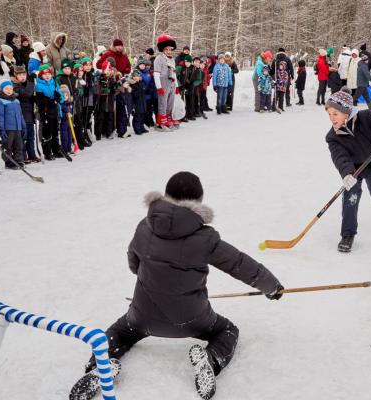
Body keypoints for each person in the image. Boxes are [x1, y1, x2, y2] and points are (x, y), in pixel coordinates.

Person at [77, 171, 283, 400]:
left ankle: (100, 366)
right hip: (194, 319)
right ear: (198, 202)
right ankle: (212, 359)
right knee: (227, 330)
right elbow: (240, 264)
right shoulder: (205, 238)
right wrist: (271, 286)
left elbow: (133, 262)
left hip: (142, 315)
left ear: (165, 196)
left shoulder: (144, 227)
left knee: (119, 332)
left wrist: (151, 277)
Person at [325, 87, 371, 253]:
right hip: (354, 171)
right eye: (329, 114)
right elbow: (340, 157)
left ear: (347, 112)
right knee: (351, 197)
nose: (331, 118)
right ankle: (347, 234)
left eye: (335, 114)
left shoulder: (365, 117)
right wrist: (347, 174)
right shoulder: (332, 137)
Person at [0, 80, 26, 169]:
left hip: (17, 128)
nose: (9, 90)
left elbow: (21, 115)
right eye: (6, 89)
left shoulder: (16, 101)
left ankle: (19, 161)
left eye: (10, 88)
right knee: (8, 146)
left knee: (18, 145)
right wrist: (2, 130)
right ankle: (9, 162)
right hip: (8, 128)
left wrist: (23, 127)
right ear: (2, 90)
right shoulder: (0, 101)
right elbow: (0, 117)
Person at [35, 64, 64, 159]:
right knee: (47, 132)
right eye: (44, 74)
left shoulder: (54, 83)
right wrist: (49, 100)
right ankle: (47, 152)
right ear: (41, 75)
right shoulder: (39, 86)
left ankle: (56, 150)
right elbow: (40, 101)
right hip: (46, 112)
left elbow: (60, 96)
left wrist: (59, 97)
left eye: (48, 73)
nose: (47, 76)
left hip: (55, 111)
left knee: (55, 131)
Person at [13, 65, 39, 162]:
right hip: (21, 115)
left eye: (24, 74)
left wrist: (35, 98)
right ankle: (23, 156)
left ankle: (32, 155)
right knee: (23, 136)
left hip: (29, 114)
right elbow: (26, 93)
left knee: (31, 136)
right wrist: (31, 82)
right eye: (20, 75)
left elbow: (31, 96)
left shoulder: (28, 84)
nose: (22, 76)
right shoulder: (15, 86)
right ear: (16, 76)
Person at [153, 34, 179, 131]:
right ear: (163, 50)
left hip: (171, 82)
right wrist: (159, 87)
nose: (169, 51)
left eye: (170, 49)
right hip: (163, 82)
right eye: (166, 49)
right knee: (163, 103)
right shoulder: (159, 59)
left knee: (170, 102)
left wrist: (176, 85)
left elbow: (174, 73)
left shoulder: (172, 59)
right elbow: (156, 74)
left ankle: (167, 118)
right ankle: (160, 122)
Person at [94, 59, 119, 140]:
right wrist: (102, 91)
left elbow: (116, 90)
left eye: (110, 70)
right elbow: (98, 90)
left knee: (109, 117)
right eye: (107, 70)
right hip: (102, 102)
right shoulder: (100, 78)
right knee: (100, 117)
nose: (108, 72)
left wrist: (115, 88)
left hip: (110, 101)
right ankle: (99, 133)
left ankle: (109, 132)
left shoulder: (112, 79)